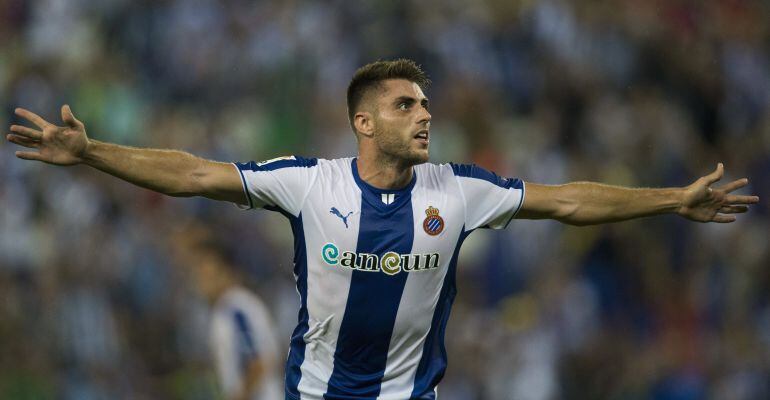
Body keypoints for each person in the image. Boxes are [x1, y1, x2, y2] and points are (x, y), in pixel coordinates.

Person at [6, 59, 759, 400]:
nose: (425, 113)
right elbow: (197, 174)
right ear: (363, 121)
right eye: (405, 105)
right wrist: (93, 153)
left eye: (425, 103)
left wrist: (670, 200)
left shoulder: (458, 191)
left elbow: (566, 202)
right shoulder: (310, 183)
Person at [170, 224, 283, 400]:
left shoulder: (236, 307)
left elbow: (259, 363)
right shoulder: (226, 309)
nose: (200, 282)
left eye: (207, 274)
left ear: (226, 272)